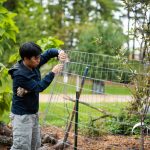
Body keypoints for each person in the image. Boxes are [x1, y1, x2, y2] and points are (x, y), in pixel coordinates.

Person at [8, 42, 67, 150]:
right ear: (26, 58)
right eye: (36, 58)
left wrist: (59, 52)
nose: (39, 60)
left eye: (39, 57)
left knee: (35, 145)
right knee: (21, 147)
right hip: (22, 117)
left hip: (33, 113)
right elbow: (39, 87)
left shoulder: (34, 63)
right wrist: (52, 73)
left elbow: (48, 53)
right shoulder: (19, 74)